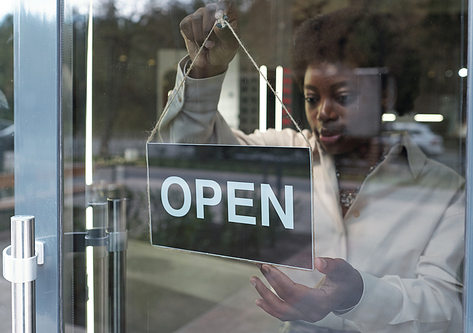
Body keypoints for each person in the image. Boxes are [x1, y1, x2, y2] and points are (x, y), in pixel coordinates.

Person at [158, 1, 465, 332]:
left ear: (385, 94)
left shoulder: (444, 190)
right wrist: (205, 71)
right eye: (312, 99)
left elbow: (447, 308)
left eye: (343, 96)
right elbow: (189, 158)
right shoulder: (285, 153)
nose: (324, 113)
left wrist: (358, 295)